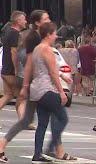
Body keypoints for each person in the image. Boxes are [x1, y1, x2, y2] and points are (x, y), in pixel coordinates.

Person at [0, 10, 73, 163]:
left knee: (32, 120)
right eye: (45, 19)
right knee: (54, 115)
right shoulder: (35, 38)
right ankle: (53, 150)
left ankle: (50, 152)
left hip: (35, 83)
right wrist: (26, 85)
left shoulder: (38, 38)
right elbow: (31, 64)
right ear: (38, 23)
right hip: (37, 83)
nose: (48, 20)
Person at [30, 22, 71, 162]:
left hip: (36, 90)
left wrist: (62, 75)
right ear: (48, 35)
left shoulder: (36, 49)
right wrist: (61, 92)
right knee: (63, 118)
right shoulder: (47, 50)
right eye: (54, 33)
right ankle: (50, 146)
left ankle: (37, 154)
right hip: (47, 89)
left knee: (42, 123)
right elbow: (53, 72)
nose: (56, 36)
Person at [0, 11, 27, 120]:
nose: (26, 21)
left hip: (5, 69)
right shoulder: (15, 34)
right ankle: (24, 121)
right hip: (11, 71)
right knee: (21, 96)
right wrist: (16, 69)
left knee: (9, 95)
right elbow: (13, 52)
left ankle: (23, 120)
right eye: (24, 19)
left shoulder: (8, 32)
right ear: (18, 21)